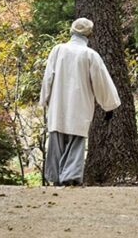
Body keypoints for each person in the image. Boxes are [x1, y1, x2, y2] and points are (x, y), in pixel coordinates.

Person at [39, 18, 121, 185]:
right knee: (76, 142)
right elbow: (101, 82)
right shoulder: (90, 55)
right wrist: (108, 106)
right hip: (80, 104)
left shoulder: (58, 50)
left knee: (56, 140)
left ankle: (55, 178)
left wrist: (44, 99)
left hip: (58, 104)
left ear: (72, 30)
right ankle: (70, 178)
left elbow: (48, 77)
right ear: (89, 34)